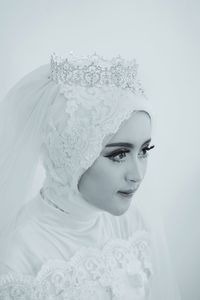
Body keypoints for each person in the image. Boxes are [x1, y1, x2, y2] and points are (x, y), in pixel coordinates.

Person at [0, 53, 181, 299]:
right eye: (118, 154)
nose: (137, 175)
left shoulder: (132, 223)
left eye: (144, 151)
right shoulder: (18, 255)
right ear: (72, 157)